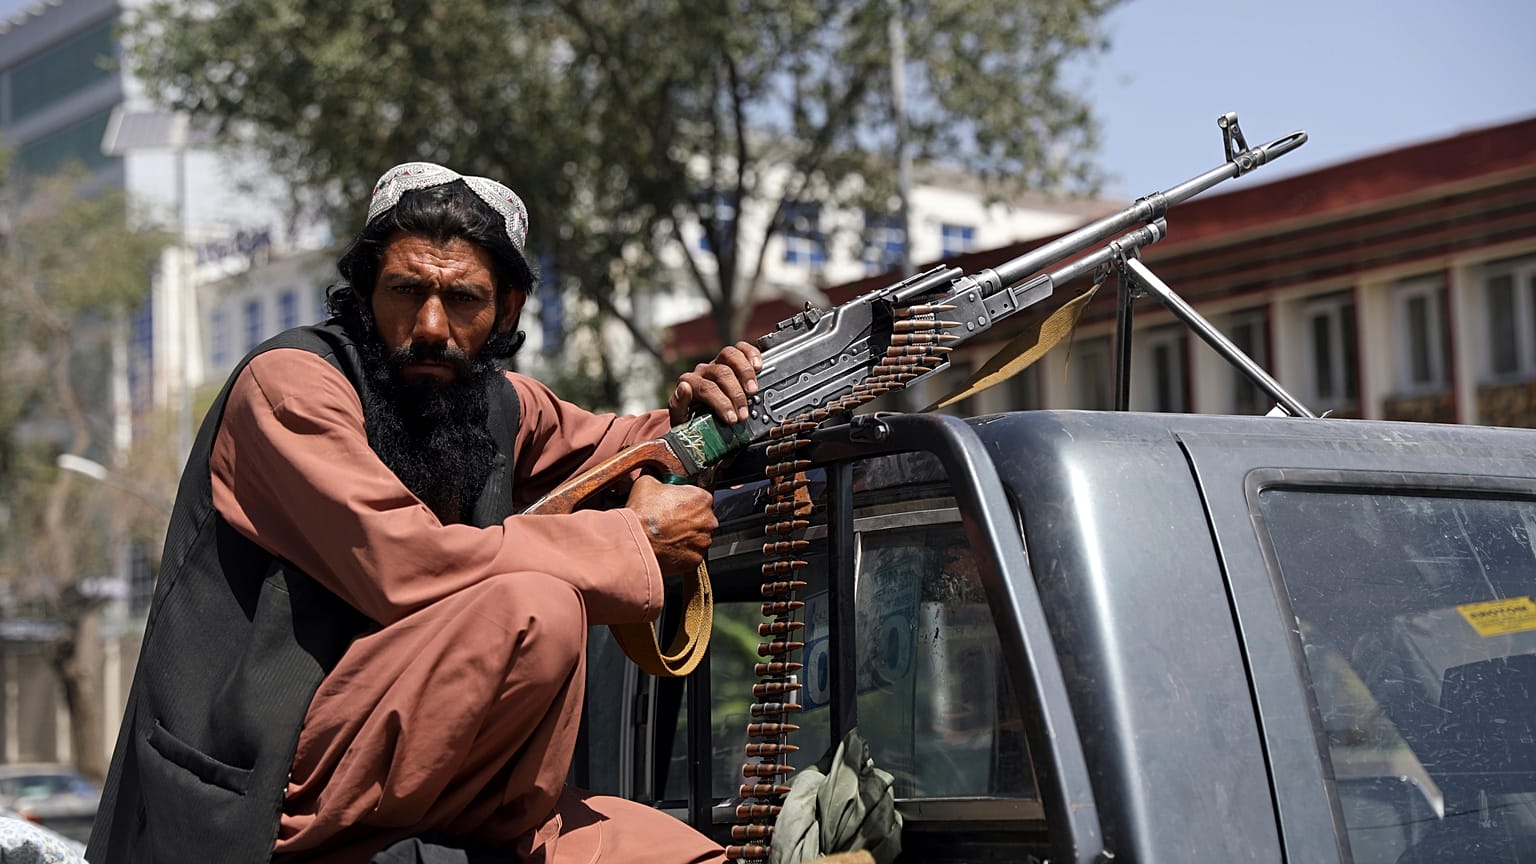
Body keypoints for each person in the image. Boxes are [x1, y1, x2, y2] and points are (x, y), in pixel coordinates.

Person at [87, 162, 761, 864]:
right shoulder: (290, 388)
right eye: (406, 291)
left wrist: (706, 415)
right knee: (537, 608)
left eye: (463, 298)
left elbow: (624, 448)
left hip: (435, 789)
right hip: (262, 792)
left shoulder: (497, 403)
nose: (432, 326)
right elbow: (405, 564)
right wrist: (633, 543)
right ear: (364, 291)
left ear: (508, 308)